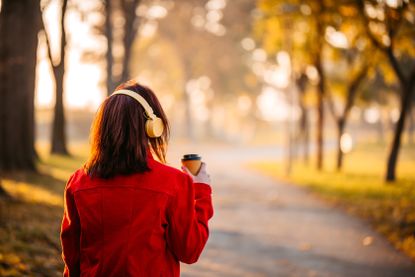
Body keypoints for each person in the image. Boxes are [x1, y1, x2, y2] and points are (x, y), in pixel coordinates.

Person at [60, 81, 214, 277]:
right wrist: (201, 191)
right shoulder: (174, 182)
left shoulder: (78, 183)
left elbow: (72, 259)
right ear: (153, 127)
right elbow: (190, 250)